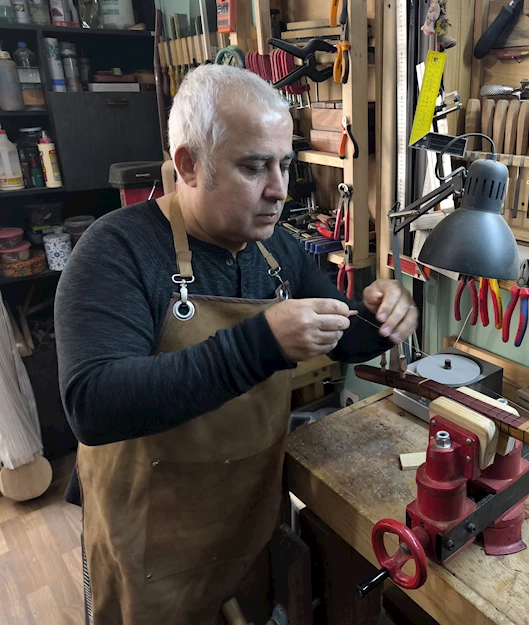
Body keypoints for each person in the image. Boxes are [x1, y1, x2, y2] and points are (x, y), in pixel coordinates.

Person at [54, 64, 417, 624]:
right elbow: (94, 405)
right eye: (254, 167)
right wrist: (260, 345)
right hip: (152, 546)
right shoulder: (115, 251)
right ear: (189, 166)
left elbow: (350, 339)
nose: (279, 189)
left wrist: (386, 314)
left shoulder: (280, 252)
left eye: (285, 165)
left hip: (246, 522)